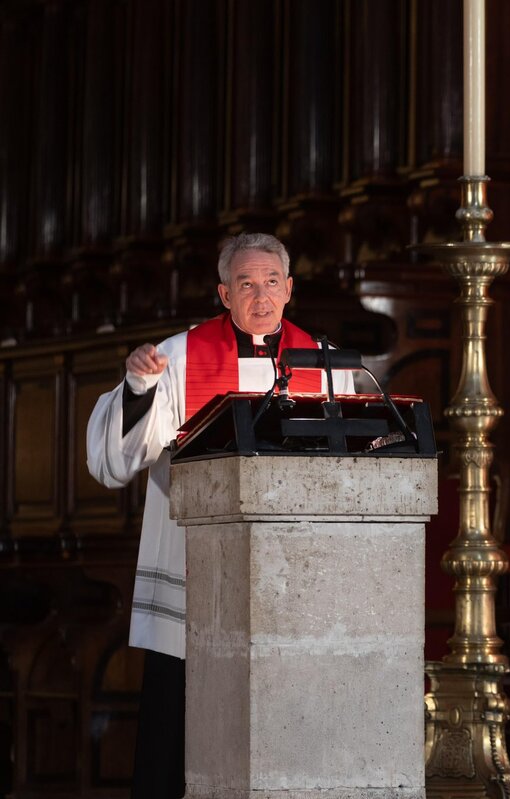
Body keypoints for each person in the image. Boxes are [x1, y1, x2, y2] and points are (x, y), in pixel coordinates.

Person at [86, 233, 354, 798]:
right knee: (177, 728)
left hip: (289, 584)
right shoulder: (179, 357)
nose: (261, 295)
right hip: (194, 574)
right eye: (246, 283)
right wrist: (138, 387)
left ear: (290, 290)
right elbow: (115, 461)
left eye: (271, 282)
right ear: (223, 293)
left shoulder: (325, 364)